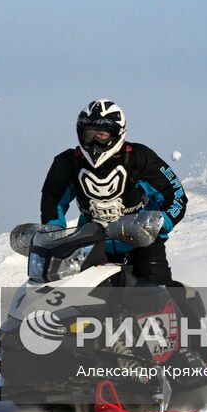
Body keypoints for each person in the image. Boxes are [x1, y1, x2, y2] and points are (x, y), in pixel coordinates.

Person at [39, 99, 187, 286]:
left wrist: (159, 223)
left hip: (141, 241)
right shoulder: (67, 163)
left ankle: (182, 310)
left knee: (155, 291)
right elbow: (53, 200)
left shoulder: (140, 157)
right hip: (90, 243)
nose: (94, 141)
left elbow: (175, 194)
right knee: (74, 295)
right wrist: (55, 234)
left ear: (117, 133)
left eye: (102, 135)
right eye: (89, 134)